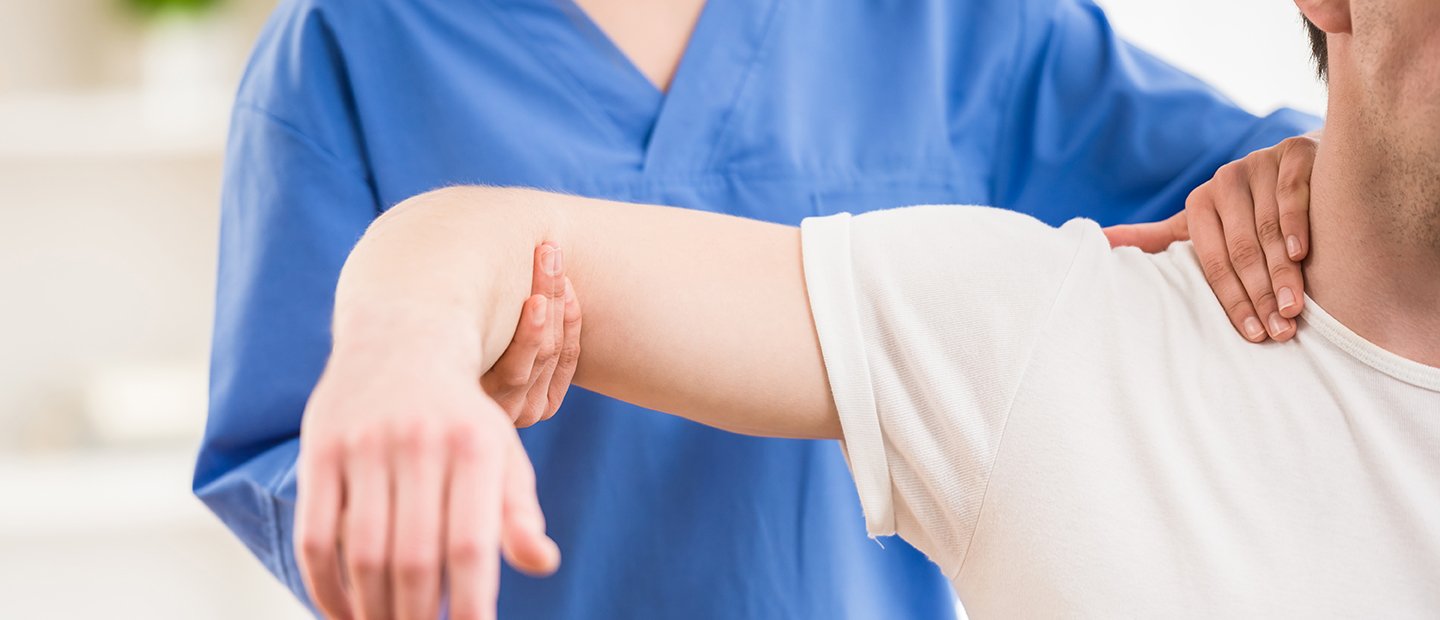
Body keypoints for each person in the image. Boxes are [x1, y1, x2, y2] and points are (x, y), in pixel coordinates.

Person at [301, 0, 1440, 616]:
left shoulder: (957, 27)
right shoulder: (356, 41)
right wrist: (415, 381)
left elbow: (1333, 163)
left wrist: (1273, 170)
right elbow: (316, 441)